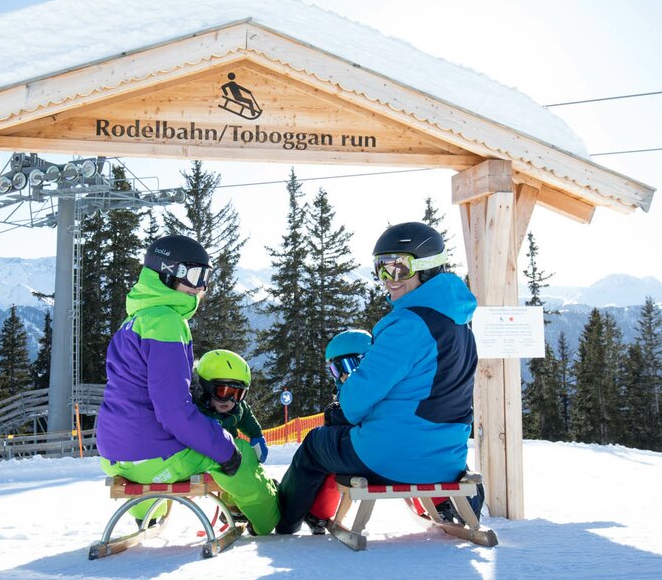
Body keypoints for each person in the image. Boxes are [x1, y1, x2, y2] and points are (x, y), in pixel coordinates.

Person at [275, 221, 480, 534]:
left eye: (398, 269)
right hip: (447, 457)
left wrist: (344, 408)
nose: (388, 280)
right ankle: (448, 505)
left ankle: (285, 523)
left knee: (317, 444)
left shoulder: (408, 325)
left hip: (389, 455)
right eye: (381, 269)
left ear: (426, 268)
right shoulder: (460, 324)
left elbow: (356, 399)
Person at [95, 235, 279, 535]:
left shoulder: (134, 320)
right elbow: (172, 411)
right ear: (168, 272)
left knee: (208, 446)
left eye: (206, 277)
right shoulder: (167, 322)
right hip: (152, 457)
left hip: (113, 455)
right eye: (195, 276)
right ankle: (271, 522)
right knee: (239, 457)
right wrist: (227, 449)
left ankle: (147, 517)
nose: (201, 288)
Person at [192, 349, 269, 464]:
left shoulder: (237, 409)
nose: (230, 400)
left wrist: (257, 436)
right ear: (204, 387)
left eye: (238, 394)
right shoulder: (192, 410)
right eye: (224, 391)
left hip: (231, 460)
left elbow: (246, 415)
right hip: (201, 461)